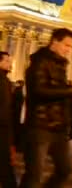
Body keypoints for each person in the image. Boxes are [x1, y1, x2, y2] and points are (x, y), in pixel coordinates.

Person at [20, 28, 72, 188]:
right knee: (34, 175)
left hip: (58, 127)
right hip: (40, 126)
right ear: (54, 42)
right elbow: (38, 91)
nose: (69, 50)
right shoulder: (39, 63)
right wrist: (71, 91)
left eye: (71, 47)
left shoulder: (60, 66)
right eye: (66, 45)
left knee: (65, 169)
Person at [0, 51, 17, 188]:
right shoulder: (3, 81)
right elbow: (4, 108)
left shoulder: (4, 80)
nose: (10, 64)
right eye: (6, 61)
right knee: (5, 162)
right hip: (2, 128)